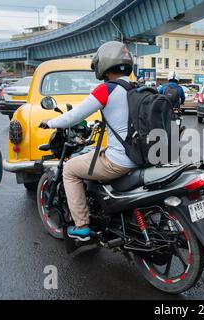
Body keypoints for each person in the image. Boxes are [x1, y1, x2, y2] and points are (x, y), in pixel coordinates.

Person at [39, 41, 137, 241]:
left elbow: (73, 116)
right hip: (141, 156)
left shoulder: (107, 90)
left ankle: (82, 225)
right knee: (94, 153)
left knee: (70, 169)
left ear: (104, 64)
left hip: (120, 161)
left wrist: (50, 122)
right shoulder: (137, 88)